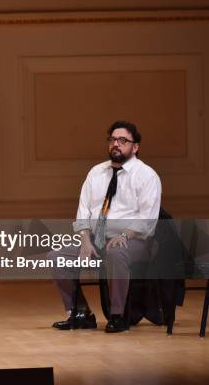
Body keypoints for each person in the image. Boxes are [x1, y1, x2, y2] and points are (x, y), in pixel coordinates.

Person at [48, 121, 161, 333]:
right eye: (112, 140)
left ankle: (117, 315)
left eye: (122, 140)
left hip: (136, 241)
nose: (116, 144)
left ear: (135, 147)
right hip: (98, 241)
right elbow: (83, 212)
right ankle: (80, 312)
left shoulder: (146, 175)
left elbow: (148, 219)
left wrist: (126, 235)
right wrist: (85, 241)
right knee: (56, 257)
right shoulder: (96, 173)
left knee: (116, 252)